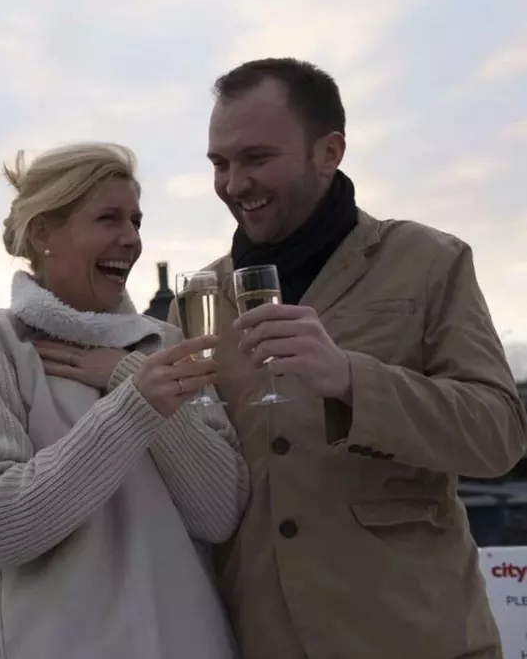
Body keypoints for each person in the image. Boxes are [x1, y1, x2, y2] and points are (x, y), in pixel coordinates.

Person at [177, 57, 527, 659]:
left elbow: (498, 434)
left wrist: (350, 380)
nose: (234, 184)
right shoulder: (199, 298)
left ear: (328, 151)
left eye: (256, 158)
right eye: (220, 163)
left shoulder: (430, 260)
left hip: (416, 640)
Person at [0, 142, 248, 659]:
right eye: (109, 219)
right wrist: (133, 407)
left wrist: (128, 377)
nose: (132, 240)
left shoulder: (165, 346)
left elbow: (219, 514)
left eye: (136, 221)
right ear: (43, 233)